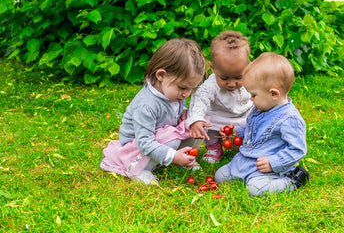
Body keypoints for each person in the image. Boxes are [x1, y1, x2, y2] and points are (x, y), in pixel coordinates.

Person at [100, 38, 206, 185]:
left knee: (196, 123)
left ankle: (181, 158)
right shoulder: (146, 105)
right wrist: (172, 155)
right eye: (183, 88)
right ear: (161, 75)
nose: (187, 94)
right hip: (137, 147)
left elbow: (179, 111)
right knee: (173, 141)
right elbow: (145, 143)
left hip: (163, 134)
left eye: (191, 88)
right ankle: (142, 170)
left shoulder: (172, 91)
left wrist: (186, 115)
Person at [215, 52, 309, 197]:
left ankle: (292, 181)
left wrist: (273, 162)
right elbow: (254, 130)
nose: (251, 99)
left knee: (255, 189)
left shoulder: (289, 119)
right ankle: (246, 175)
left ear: (273, 94)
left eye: (253, 95)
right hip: (246, 161)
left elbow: (297, 149)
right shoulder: (261, 108)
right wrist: (237, 133)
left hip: (268, 169)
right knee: (220, 176)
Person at [187, 31, 253, 163]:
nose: (232, 84)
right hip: (217, 120)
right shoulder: (210, 86)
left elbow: (259, 95)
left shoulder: (251, 79)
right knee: (207, 127)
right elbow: (200, 102)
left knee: (252, 128)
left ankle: (243, 146)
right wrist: (196, 120)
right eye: (224, 78)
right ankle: (214, 148)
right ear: (212, 68)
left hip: (242, 118)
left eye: (238, 77)